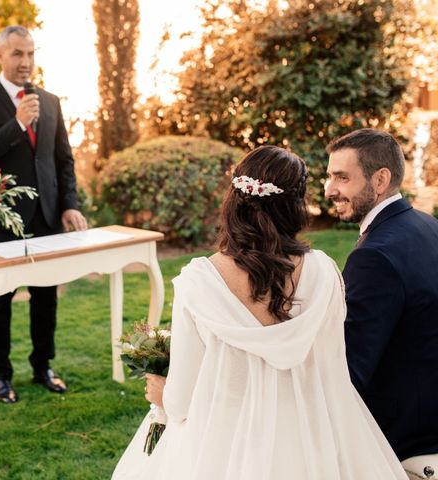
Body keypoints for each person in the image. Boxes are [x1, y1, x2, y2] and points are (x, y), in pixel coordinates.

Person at [113, 146, 406, 479]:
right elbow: (332, 370)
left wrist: (161, 393)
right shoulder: (325, 273)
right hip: (313, 442)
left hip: (224, 447)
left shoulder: (199, 281)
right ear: (296, 205)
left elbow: (181, 404)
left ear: (234, 199)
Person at [0, 26, 87, 404]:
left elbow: (62, 159)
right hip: (3, 218)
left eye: (30, 53)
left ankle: (42, 366)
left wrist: (70, 203)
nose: (26, 62)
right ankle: (0, 376)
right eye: (18, 54)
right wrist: (16, 123)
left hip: (47, 214)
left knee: (46, 295)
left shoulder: (49, 101)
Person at [325, 128, 438, 479]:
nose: (330, 190)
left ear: (380, 180)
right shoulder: (426, 224)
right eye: (330, 177)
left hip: (401, 437)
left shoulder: (374, 255)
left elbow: (349, 373)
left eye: (342, 177)